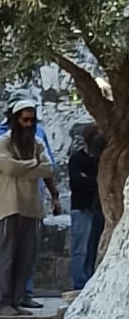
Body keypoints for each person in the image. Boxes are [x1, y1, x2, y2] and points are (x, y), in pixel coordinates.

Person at [0, 102, 60, 307]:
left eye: (32, 121)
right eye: (25, 120)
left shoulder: (38, 142)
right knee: (6, 257)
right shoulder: (1, 141)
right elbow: (8, 168)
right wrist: (33, 164)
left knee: (26, 258)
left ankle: (19, 299)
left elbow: (48, 169)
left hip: (32, 206)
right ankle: (4, 302)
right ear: (15, 120)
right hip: (9, 205)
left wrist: (23, 169)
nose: (28, 124)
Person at [69, 124, 106, 290]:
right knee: (81, 249)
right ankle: (80, 284)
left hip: (98, 209)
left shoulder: (102, 159)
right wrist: (94, 180)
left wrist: (90, 179)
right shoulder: (77, 159)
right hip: (82, 208)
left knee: (95, 247)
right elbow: (77, 182)